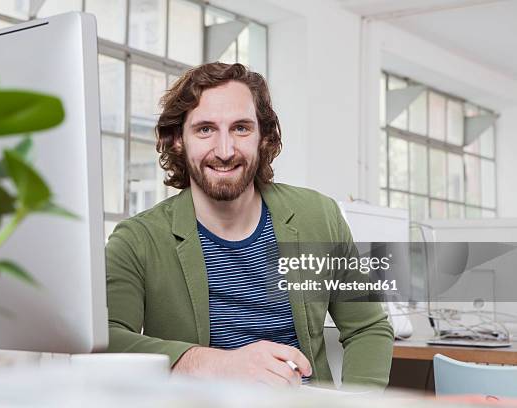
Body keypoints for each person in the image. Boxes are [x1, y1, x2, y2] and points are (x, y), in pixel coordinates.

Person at [106, 62, 394, 388]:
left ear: (263, 137)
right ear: (177, 141)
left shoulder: (319, 216)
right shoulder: (137, 240)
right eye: (205, 129)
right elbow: (106, 340)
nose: (225, 151)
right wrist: (215, 363)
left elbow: (367, 327)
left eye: (241, 128)